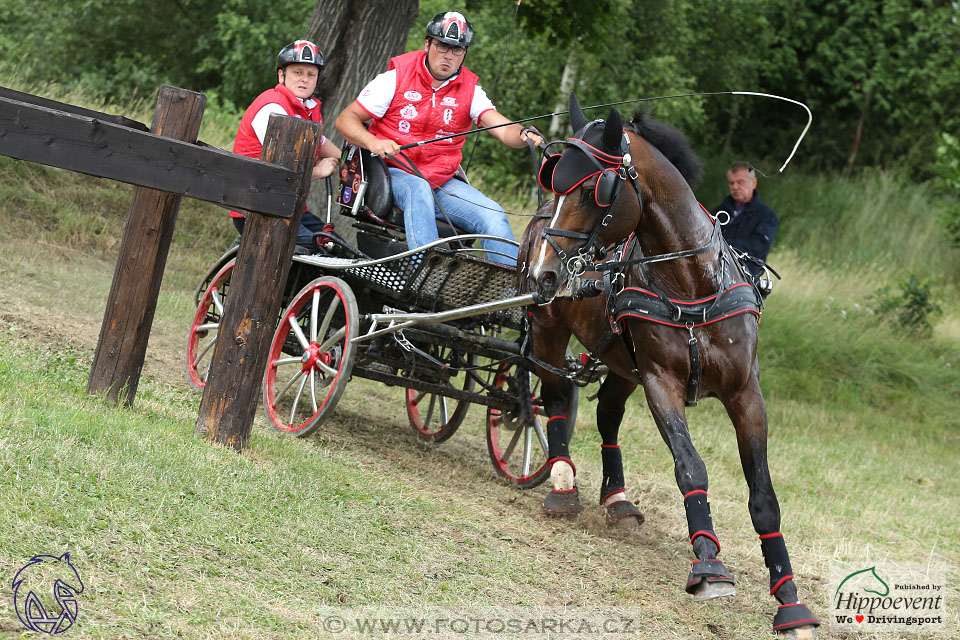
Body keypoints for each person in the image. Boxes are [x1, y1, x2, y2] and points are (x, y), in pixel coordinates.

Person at [335, 11, 543, 267]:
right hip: (394, 173)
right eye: (442, 46)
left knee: (493, 213)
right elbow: (345, 120)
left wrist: (522, 135)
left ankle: (512, 298)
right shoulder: (395, 78)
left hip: (442, 182)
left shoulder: (471, 90)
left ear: (464, 53)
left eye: (457, 50)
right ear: (427, 44)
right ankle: (424, 273)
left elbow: (502, 129)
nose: (448, 55)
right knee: (418, 189)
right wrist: (374, 143)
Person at [230, 40, 341, 253]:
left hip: (287, 206)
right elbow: (283, 173)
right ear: (281, 75)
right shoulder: (273, 107)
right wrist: (319, 171)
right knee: (320, 250)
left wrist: (348, 163)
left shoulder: (307, 107)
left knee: (338, 247)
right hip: (258, 207)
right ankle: (247, 252)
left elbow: (321, 142)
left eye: (311, 74)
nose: (304, 79)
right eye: (297, 72)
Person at [710, 161, 779, 281]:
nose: (735, 187)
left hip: (746, 280)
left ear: (754, 183)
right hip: (714, 276)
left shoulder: (767, 215)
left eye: (740, 182)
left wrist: (722, 246)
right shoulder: (717, 213)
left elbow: (758, 246)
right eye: (732, 183)